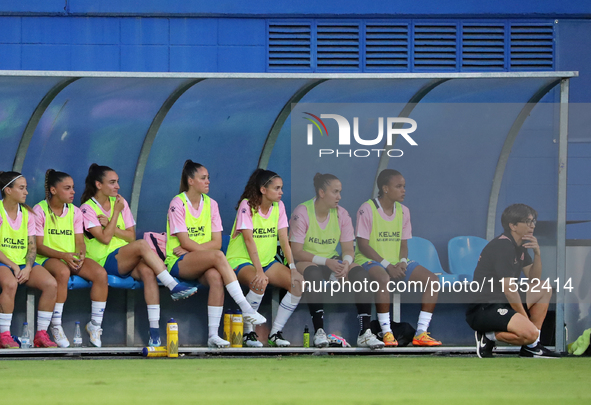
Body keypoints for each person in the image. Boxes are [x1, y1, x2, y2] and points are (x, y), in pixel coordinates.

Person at [81, 164, 197, 347]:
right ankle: (172, 284)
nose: (117, 186)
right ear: (98, 185)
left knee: (148, 272)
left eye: (117, 182)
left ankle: (154, 334)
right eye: (112, 183)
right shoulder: (87, 209)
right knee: (142, 245)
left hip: (125, 257)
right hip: (104, 260)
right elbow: (104, 239)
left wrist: (112, 224)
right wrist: (115, 215)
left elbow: (130, 235)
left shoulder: (120, 202)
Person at [165, 160, 266, 348]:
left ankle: (212, 335)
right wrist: (198, 249)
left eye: (208, 178)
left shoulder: (212, 204)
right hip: (178, 261)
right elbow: (185, 242)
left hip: (199, 259)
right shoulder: (177, 203)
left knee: (215, 277)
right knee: (219, 256)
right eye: (203, 178)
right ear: (191, 181)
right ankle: (245, 307)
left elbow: (217, 243)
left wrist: (193, 248)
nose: (208, 181)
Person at [290, 173, 383, 349]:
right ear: (322, 192)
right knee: (314, 274)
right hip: (307, 261)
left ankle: (365, 333)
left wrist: (346, 264)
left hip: (331, 261)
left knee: (361, 275)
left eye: (340, 192)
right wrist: (327, 262)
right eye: (335, 192)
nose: (339, 197)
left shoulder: (342, 214)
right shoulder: (302, 212)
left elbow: (349, 249)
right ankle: (319, 332)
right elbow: (297, 251)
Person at [355, 169, 442, 347]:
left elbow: (404, 244)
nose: (403, 190)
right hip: (368, 260)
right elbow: (363, 245)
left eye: (404, 186)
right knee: (383, 277)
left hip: (395, 261)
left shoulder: (404, 211)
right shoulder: (367, 208)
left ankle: (421, 333)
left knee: (432, 280)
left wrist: (402, 262)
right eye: (399, 186)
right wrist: (387, 265)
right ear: (385, 188)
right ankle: (387, 333)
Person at [466, 204, 559, 358]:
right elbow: (509, 290)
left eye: (533, 221)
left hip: (504, 302)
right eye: (527, 221)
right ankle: (488, 336)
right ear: (513, 226)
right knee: (531, 333)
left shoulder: (520, 246)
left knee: (543, 288)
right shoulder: (503, 246)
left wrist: (537, 254)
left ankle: (531, 347)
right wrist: (524, 318)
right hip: (485, 308)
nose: (532, 225)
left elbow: (534, 280)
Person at [226, 169, 303, 347]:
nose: (281, 192)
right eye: (276, 188)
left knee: (298, 283)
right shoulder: (247, 205)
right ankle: (248, 333)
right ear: (263, 190)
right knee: (259, 280)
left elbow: (284, 239)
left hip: (267, 262)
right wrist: (259, 271)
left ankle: (275, 333)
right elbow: (248, 239)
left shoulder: (279, 206)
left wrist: (293, 268)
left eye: (281, 188)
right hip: (240, 260)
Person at [34, 169, 109, 348]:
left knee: (100, 274)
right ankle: (56, 325)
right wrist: (63, 256)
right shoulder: (40, 209)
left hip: (69, 257)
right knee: (62, 271)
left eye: (73, 188)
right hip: (47, 257)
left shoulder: (75, 211)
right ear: (53, 190)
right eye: (67, 188)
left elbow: (79, 241)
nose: (73, 192)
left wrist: (80, 255)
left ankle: (95, 326)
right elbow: (39, 246)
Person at [0, 171, 57, 348]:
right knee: (10, 284)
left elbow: (32, 248)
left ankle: (41, 334)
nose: (26, 192)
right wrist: (13, 266)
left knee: (51, 284)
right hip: (3, 262)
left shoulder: (28, 214)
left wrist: (28, 268)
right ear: (8, 190)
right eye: (22, 188)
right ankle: (4, 335)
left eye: (26, 188)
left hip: (23, 263)